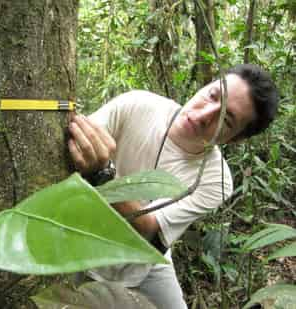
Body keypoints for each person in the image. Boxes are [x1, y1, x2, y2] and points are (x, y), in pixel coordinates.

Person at [68, 64, 279, 308]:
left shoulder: (215, 179)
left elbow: (147, 229)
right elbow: (74, 148)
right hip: (81, 242)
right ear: (205, 85)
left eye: (226, 120)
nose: (203, 116)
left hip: (144, 261)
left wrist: (101, 175)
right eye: (212, 95)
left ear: (236, 139)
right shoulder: (138, 105)